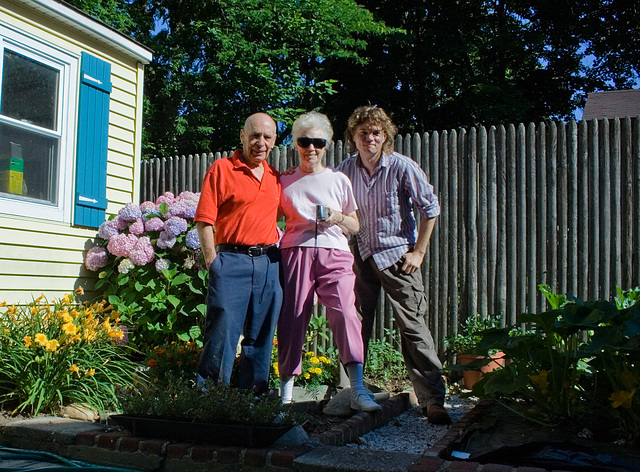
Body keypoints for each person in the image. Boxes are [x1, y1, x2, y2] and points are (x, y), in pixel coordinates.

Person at [337, 105, 451, 424]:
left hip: (399, 259)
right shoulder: (345, 170)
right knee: (355, 325)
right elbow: (337, 210)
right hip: (360, 257)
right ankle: (350, 391)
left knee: (413, 328)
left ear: (384, 136)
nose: (370, 138)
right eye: (363, 133)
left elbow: (430, 208)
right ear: (353, 137)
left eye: (376, 132)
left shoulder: (402, 167)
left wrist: (419, 252)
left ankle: (433, 400)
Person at [277, 111, 381, 412]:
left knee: (346, 313)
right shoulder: (285, 181)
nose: (311, 148)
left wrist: (335, 217)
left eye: (318, 142)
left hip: (334, 252)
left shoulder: (339, 180)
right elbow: (272, 220)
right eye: (304, 141)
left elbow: (355, 225)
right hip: (295, 251)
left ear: (327, 144)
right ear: (295, 144)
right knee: (293, 316)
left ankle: (358, 389)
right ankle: (286, 394)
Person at [194, 112, 282, 394]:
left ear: (274, 141)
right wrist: (212, 262)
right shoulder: (222, 169)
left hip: (269, 263)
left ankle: (254, 399)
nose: (260, 142)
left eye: (267, 137)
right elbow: (204, 220)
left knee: (261, 335)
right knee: (221, 333)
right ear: (242, 136)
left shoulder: (275, 178)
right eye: (254, 135)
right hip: (231, 261)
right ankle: (209, 398)